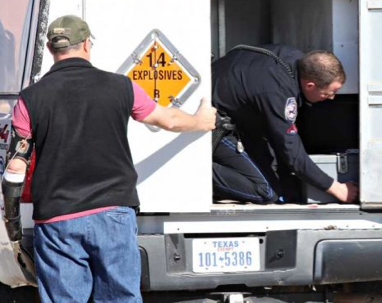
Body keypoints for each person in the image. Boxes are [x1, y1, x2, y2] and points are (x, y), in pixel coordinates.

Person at [1, 15, 216, 302]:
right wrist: (200, 121)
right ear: (87, 44)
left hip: (57, 217)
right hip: (113, 212)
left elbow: (15, 167)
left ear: (52, 50)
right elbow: (168, 119)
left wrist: (13, 226)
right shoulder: (122, 87)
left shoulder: (30, 98)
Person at [212, 44, 359, 204]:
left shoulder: (293, 57)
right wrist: (336, 188)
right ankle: (189, 171)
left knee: (272, 178)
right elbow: (291, 151)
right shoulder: (279, 92)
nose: (331, 98)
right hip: (209, 126)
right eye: (328, 93)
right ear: (310, 85)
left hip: (222, 111)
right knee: (265, 191)